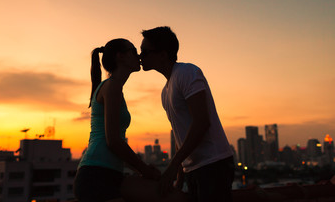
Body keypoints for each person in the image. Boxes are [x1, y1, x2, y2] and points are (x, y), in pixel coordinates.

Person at [140, 26, 235, 202]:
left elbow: (201, 122)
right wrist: (180, 176)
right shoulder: (165, 92)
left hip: (213, 164)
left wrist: (173, 165)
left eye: (145, 52)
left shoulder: (187, 73)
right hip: (193, 169)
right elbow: (180, 135)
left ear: (163, 54)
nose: (140, 57)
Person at [73, 38, 161, 202]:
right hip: (95, 177)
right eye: (133, 51)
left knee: (168, 194)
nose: (139, 56)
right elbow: (113, 141)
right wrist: (145, 170)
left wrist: (142, 169)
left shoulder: (115, 87)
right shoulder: (112, 86)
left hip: (110, 173)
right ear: (120, 56)